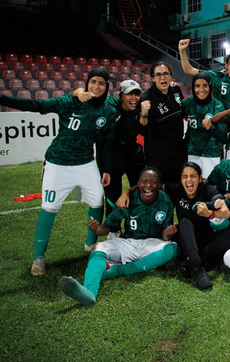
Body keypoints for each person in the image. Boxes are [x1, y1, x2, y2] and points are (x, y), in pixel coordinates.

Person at [0, 68, 117, 276]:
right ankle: (39, 258)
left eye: (101, 83)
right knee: (49, 208)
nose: (96, 87)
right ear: (87, 83)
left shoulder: (108, 110)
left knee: (98, 200)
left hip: (86, 163)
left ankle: (90, 244)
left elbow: (107, 143)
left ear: (108, 86)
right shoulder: (69, 102)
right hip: (57, 163)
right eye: (93, 82)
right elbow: (37, 105)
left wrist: (106, 168)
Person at [58, 167, 178, 305]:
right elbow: (107, 227)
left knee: (173, 248)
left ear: (159, 184)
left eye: (153, 182)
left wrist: (168, 234)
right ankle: (89, 292)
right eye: (144, 181)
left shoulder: (166, 202)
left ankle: (115, 270)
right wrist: (97, 230)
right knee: (98, 247)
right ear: (138, 183)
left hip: (152, 244)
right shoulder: (127, 199)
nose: (148, 186)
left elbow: (164, 237)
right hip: (128, 242)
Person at [167, 162, 230, 289]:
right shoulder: (176, 189)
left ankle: (191, 262)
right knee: (185, 222)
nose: (189, 180)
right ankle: (198, 269)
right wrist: (127, 192)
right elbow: (151, 185)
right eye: (184, 176)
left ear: (200, 178)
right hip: (186, 238)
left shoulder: (208, 190)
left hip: (206, 238)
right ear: (181, 179)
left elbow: (225, 212)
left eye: (193, 176)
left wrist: (209, 213)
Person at [93, 79, 145, 218]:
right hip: (111, 153)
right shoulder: (110, 106)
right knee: (112, 192)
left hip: (131, 151)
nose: (134, 98)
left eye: (137, 94)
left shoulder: (141, 107)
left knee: (140, 187)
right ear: (121, 95)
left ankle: (138, 222)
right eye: (129, 94)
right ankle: (113, 227)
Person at [139, 61, 186, 184]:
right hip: (158, 151)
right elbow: (143, 130)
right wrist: (143, 114)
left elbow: (184, 112)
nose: (162, 77)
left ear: (170, 76)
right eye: (158, 75)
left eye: (165, 74)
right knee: (160, 184)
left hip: (178, 147)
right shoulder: (146, 97)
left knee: (178, 182)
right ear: (153, 78)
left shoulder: (176, 90)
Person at [179, 39, 230, 109]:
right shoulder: (217, 77)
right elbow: (189, 70)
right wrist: (182, 51)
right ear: (226, 65)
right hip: (221, 120)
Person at [182, 72, 228, 179]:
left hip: (211, 154)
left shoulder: (217, 105)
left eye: (205, 86)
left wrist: (211, 128)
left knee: (210, 187)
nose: (201, 90)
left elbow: (224, 138)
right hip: (191, 153)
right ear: (193, 87)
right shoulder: (187, 103)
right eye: (197, 86)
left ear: (210, 86)